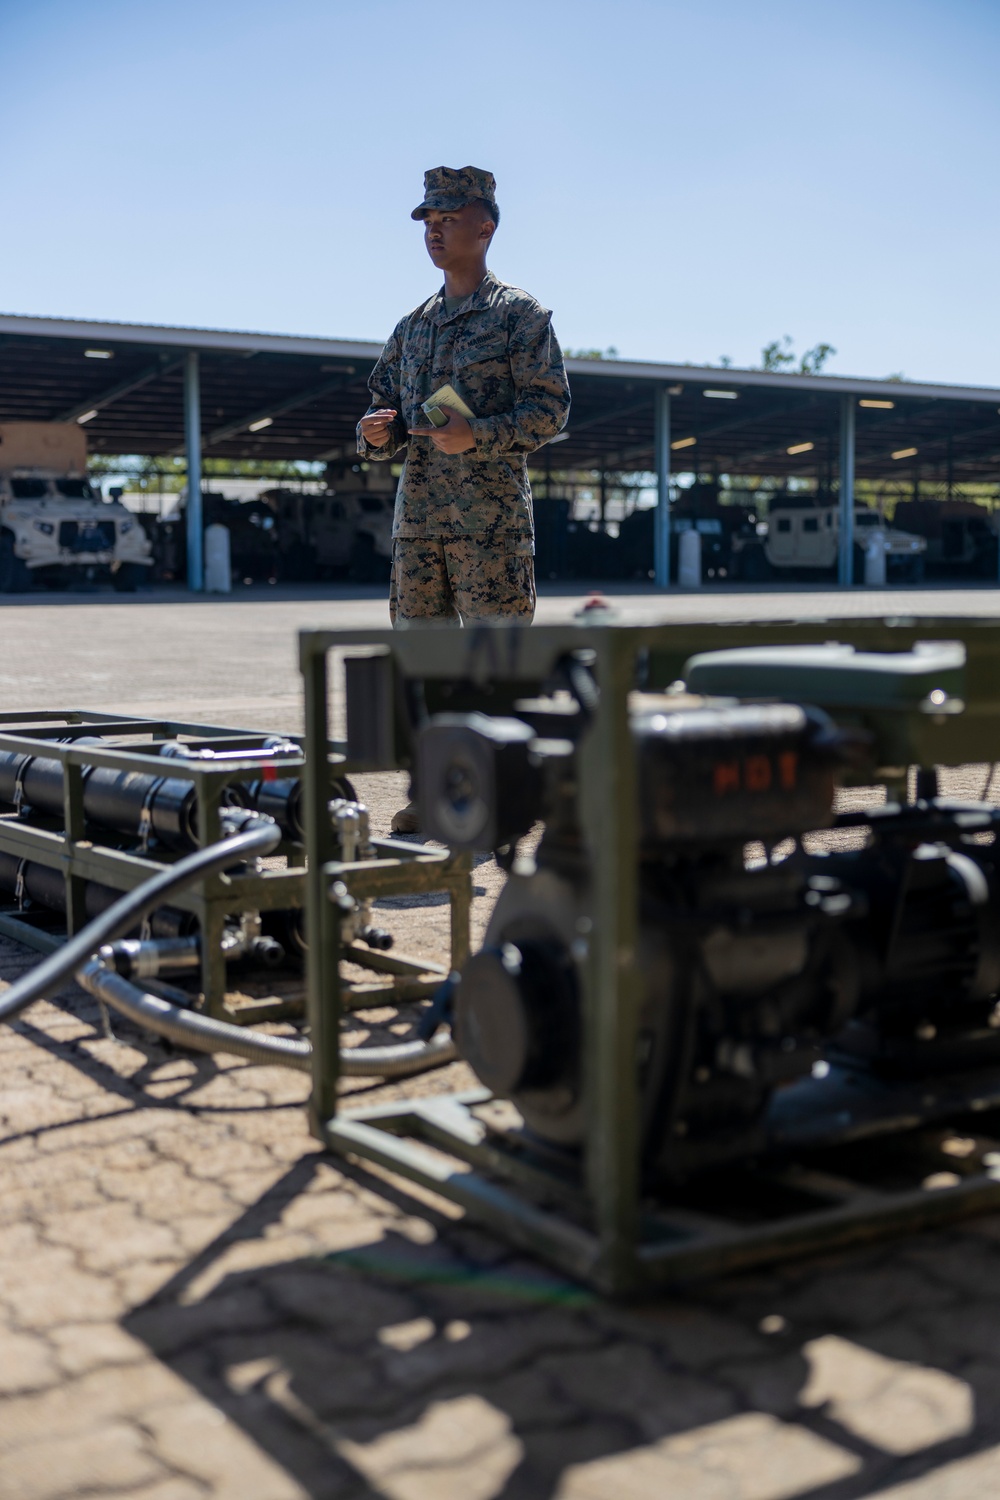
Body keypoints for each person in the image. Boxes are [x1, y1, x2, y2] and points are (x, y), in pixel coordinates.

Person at [356, 164, 571, 833]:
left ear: (486, 225)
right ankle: (432, 796)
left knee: (495, 674)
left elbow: (551, 411)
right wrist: (375, 432)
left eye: (449, 219)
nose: (436, 232)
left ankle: (503, 804)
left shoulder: (519, 317)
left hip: (490, 531)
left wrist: (474, 435)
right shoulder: (411, 327)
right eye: (429, 221)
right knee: (422, 674)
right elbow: (381, 411)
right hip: (418, 529)